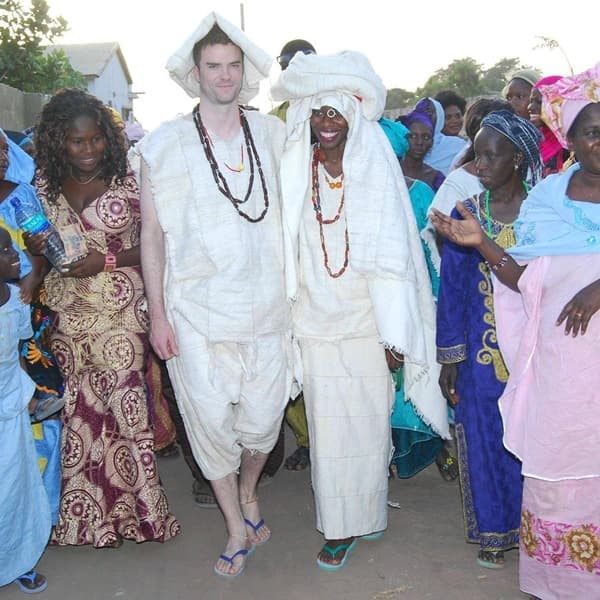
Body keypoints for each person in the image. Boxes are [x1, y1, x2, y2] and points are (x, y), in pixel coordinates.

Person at [272, 50, 447, 570]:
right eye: (319, 113)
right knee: (330, 433)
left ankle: (367, 515)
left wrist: (395, 338)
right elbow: (284, 249)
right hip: (316, 325)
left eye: (337, 114)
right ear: (307, 118)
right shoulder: (292, 173)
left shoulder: (376, 171)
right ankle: (340, 527)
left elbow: (397, 261)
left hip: (370, 326)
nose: (327, 124)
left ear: (353, 117)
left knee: (369, 429)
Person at [431, 63, 600, 597]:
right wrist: (479, 242)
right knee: (557, 460)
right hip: (561, 364)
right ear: (568, 138)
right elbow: (523, 280)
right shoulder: (549, 200)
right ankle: (564, 582)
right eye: (592, 131)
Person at [136, 13, 292, 579]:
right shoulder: (163, 145)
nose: (224, 76)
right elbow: (151, 236)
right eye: (213, 66)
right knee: (207, 423)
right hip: (194, 312)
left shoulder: (273, 136)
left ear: (243, 71)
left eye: (233, 66)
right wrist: (158, 314)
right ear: (194, 73)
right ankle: (234, 526)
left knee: (262, 424)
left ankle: (250, 489)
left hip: (269, 309)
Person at [28, 88, 179, 548]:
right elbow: (43, 252)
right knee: (79, 413)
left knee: (127, 408)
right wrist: (37, 260)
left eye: (95, 139)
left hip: (121, 309)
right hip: (68, 314)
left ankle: (143, 515)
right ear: (59, 143)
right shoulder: (44, 186)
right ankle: (83, 518)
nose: (88, 149)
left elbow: (160, 243)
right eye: (77, 142)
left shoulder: (131, 180)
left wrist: (106, 261)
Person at [435, 109, 542, 569]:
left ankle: (537, 531)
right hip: (482, 358)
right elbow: (453, 291)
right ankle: (494, 532)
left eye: (490, 156)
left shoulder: (546, 212)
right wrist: (450, 358)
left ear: (516, 159)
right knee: (483, 437)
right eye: (476, 155)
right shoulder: (466, 213)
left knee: (533, 442)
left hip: (537, 353)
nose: (478, 165)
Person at [270, 37, 316, 473]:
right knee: (290, 347)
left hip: (326, 245)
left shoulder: (333, 111)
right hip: (286, 246)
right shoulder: (274, 121)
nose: (294, 69)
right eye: (287, 64)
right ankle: (303, 437)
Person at [0, 225, 51, 594]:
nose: (14, 255)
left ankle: (18, 558)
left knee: (15, 486)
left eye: (12, 247)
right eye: (5, 252)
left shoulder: (15, 299)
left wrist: (28, 396)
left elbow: (16, 357)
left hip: (11, 406)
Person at [528, 76, 573, 177]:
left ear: (557, 104)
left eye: (539, 102)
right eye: (531, 101)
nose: (530, 107)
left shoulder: (571, 144)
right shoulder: (532, 140)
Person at [412, 97, 468, 175]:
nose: (426, 117)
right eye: (421, 112)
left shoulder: (459, 146)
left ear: (439, 116)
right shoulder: (406, 144)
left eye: (430, 113)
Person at [398, 110, 445, 192]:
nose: (419, 142)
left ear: (432, 142)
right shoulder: (391, 171)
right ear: (403, 138)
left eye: (426, 137)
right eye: (413, 136)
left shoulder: (436, 179)